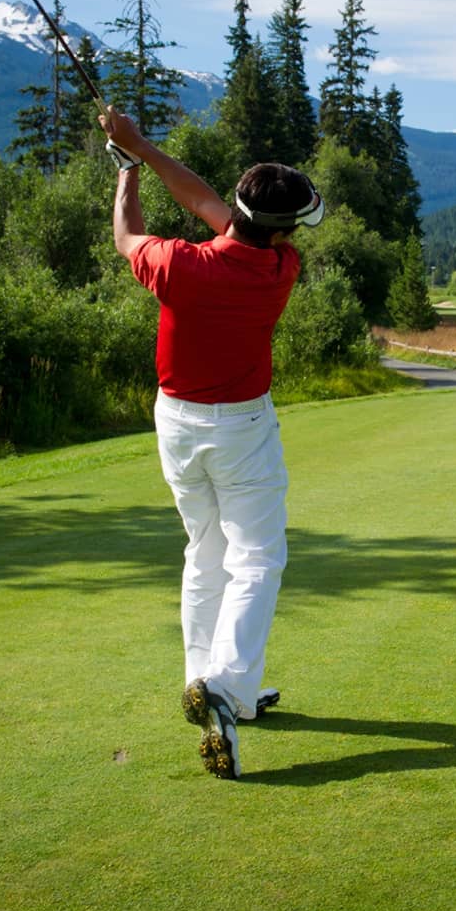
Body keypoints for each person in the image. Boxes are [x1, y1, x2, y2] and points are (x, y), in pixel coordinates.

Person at [100, 107, 324, 781]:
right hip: (244, 427)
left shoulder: (177, 266)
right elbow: (206, 203)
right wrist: (139, 149)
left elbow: (127, 235)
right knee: (257, 558)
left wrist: (128, 168)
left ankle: (215, 686)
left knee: (206, 550)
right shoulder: (280, 265)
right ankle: (224, 690)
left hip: (177, 422)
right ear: (282, 229)